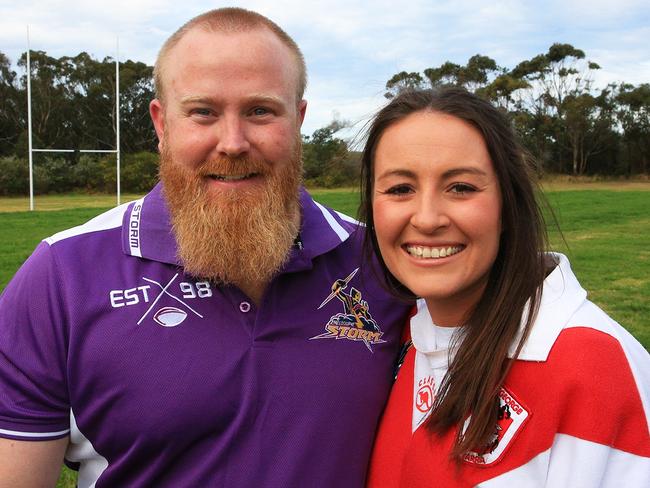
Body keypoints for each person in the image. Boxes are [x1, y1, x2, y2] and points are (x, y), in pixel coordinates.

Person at [0, 8, 411, 487]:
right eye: (203, 112)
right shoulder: (61, 276)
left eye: (260, 110)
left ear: (297, 119)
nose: (233, 143)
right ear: (161, 122)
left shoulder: (380, 263)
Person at [360, 88, 650, 486]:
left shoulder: (592, 366)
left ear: (507, 204)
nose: (426, 219)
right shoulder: (395, 335)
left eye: (460, 187)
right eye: (399, 189)